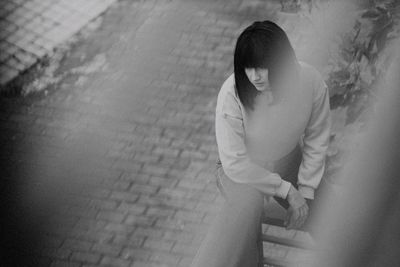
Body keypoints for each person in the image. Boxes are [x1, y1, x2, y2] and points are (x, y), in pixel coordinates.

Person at [191, 20, 331, 267]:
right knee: (245, 211)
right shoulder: (231, 93)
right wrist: (287, 191)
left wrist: (306, 191)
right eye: (248, 67)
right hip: (240, 171)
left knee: (334, 215)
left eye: (262, 67)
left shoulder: (310, 81)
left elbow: (317, 139)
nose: (254, 76)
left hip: (288, 160)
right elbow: (234, 163)